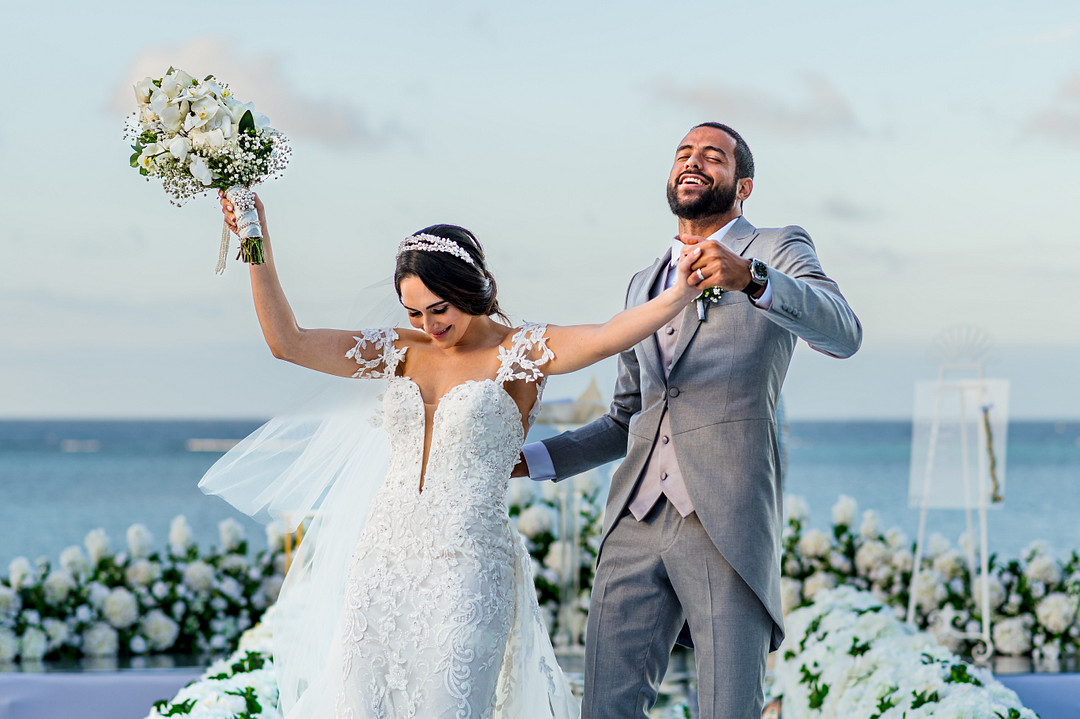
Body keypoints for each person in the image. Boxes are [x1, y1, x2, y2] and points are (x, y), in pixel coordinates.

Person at [202, 192, 709, 718]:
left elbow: (605, 337)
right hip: (380, 565)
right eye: (414, 312)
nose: (428, 325)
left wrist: (679, 295)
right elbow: (289, 342)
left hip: (467, 570)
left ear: (471, 290)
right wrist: (254, 239)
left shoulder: (519, 353)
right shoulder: (400, 349)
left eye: (438, 309)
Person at [518, 122, 863, 718]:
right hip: (633, 518)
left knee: (730, 707)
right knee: (604, 707)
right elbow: (627, 418)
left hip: (726, 517)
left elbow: (843, 332)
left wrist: (752, 280)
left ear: (743, 184)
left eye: (713, 155)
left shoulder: (778, 248)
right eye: (683, 152)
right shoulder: (641, 284)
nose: (693, 161)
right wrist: (533, 459)